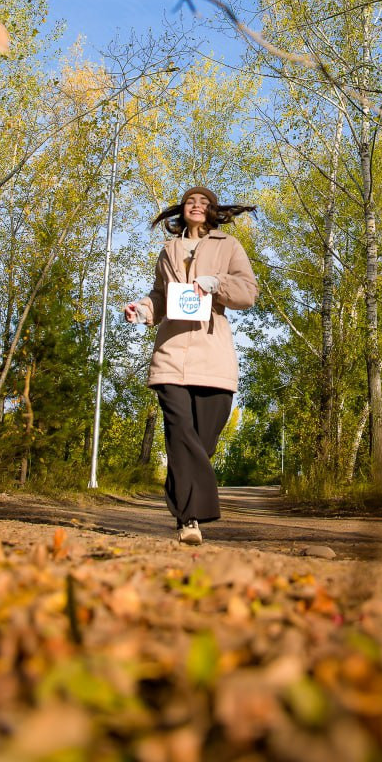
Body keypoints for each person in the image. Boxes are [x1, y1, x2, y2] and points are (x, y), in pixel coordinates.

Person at [124, 186, 258, 545]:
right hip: (171, 353)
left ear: (213, 211)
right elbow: (159, 296)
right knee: (180, 434)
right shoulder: (168, 250)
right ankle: (188, 520)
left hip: (213, 355)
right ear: (181, 211)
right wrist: (141, 310)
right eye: (189, 202)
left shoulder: (228, 246)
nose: (196, 206)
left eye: (204, 202)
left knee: (202, 443)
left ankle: (186, 505)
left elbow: (247, 292)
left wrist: (216, 284)